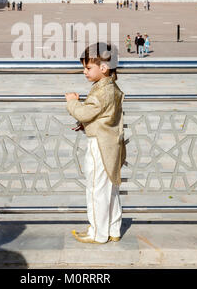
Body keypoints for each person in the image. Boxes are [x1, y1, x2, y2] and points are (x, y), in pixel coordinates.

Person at [65, 42, 126, 244]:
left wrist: (72, 101)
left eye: (88, 67)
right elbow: (103, 116)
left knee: (95, 189)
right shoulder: (112, 87)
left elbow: (84, 111)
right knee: (110, 188)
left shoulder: (100, 92)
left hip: (99, 146)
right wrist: (86, 125)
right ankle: (113, 229)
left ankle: (97, 233)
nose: (84, 72)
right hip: (111, 144)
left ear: (104, 68)